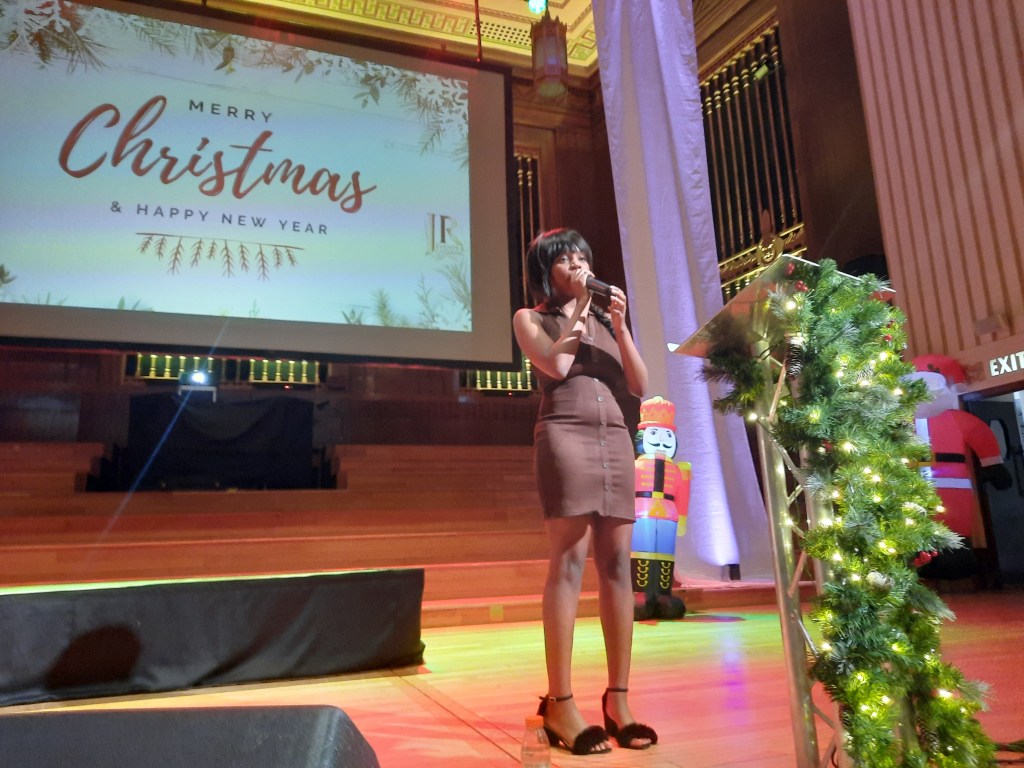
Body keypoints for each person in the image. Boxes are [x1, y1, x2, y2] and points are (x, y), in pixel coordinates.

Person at [512, 228, 658, 754]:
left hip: (616, 439)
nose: (577, 265)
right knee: (569, 563)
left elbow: (640, 385)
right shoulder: (531, 319)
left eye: (582, 258)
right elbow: (558, 365)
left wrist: (619, 324)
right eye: (566, 260)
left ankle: (618, 700)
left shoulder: (603, 320)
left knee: (619, 566)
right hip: (566, 437)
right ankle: (561, 702)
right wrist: (577, 308)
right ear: (546, 272)